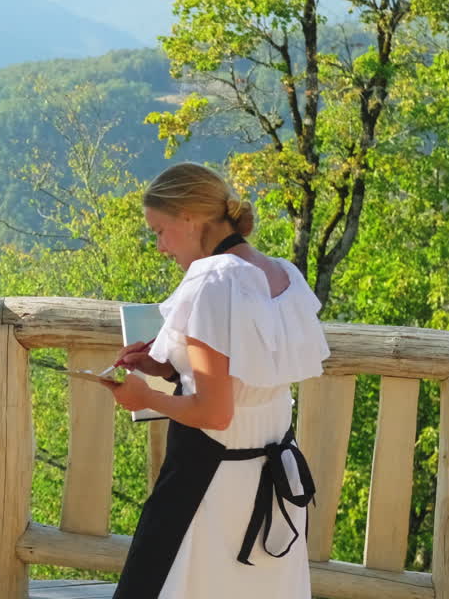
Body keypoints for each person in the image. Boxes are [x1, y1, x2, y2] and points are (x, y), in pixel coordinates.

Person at [103, 162, 330, 599]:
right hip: (271, 480)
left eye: (160, 231)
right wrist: (168, 369)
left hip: (210, 484)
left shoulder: (213, 281)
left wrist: (144, 396)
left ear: (189, 218)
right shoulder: (282, 275)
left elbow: (214, 413)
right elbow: (249, 380)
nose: (160, 246)